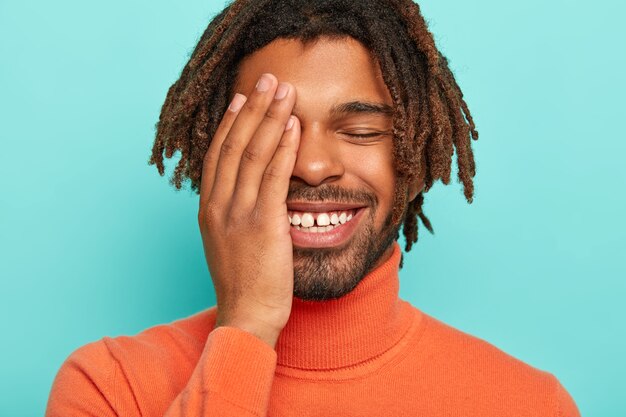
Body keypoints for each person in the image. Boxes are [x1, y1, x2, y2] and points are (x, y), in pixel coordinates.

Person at [45, 1, 581, 416]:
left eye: (363, 131)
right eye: (275, 130)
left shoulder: (528, 403)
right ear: (217, 148)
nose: (316, 166)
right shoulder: (110, 388)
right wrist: (248, 328)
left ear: (415, 157)